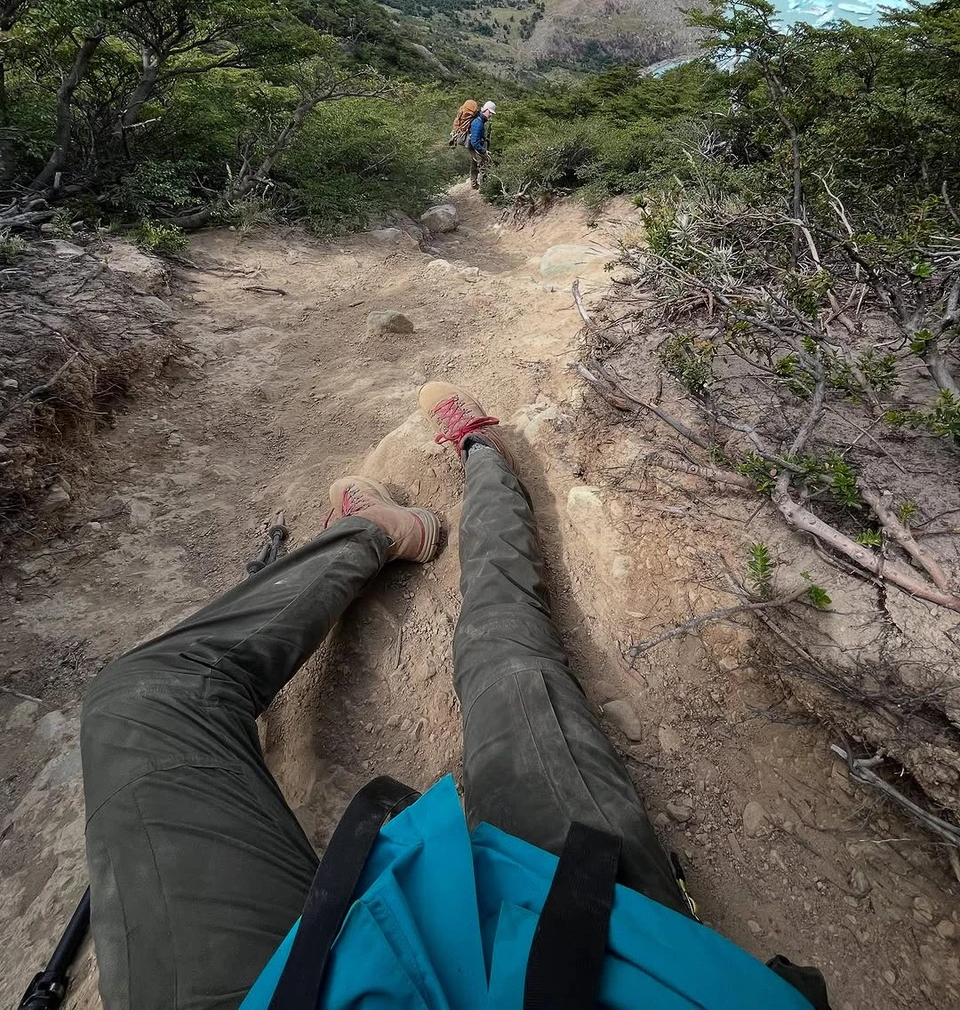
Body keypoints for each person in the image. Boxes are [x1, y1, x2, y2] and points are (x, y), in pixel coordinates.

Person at [80, 382, 831, 1010]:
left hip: (288, 994)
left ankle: (382, 528)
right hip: (574, 973)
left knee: (140, 697)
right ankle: (477, 458)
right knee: (505, 653)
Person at [467, 99, 495, 189]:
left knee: (474, 163)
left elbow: (478, 134)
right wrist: (483, 151)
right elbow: (474, 142)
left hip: (473, 145)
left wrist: (484, 138)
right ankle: (484, 187)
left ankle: (474, 183)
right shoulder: (478, 123)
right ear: (485, 110)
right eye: (490, 112)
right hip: (475, 146)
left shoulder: (479, 120)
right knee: (484, 162)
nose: (491, 115)